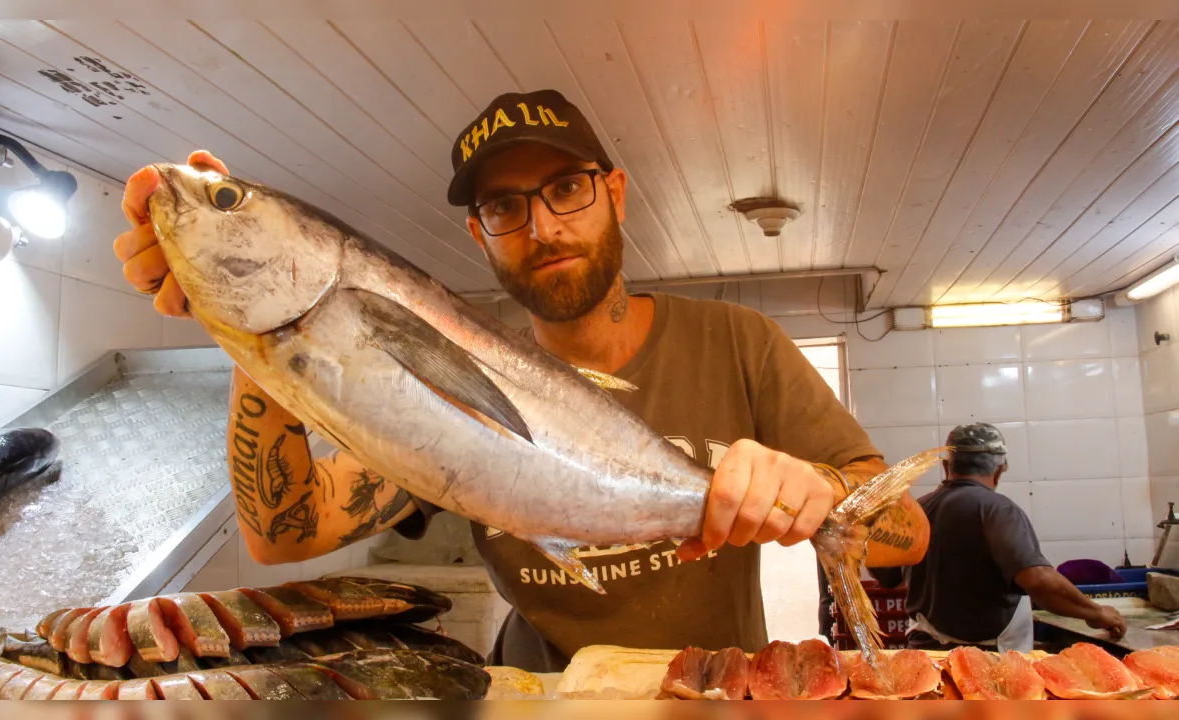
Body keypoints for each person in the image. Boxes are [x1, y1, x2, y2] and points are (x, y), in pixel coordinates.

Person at [114, 89, 930, 672]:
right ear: (480, 234)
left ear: (614, 194)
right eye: (505, 208)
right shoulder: (436, 385)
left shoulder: (736, 341)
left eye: (567, 189)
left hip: (711, 693)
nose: (542, 226)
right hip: (537, 698)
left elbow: (906, 532)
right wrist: (248, 339)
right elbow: (283, 533)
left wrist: (816, 489)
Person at [871, 423, 1127, 653]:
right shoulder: (997, 510)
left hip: (925, 655)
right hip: (988, 663)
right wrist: (1096, 613)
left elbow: (886, 575)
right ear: (1000, 468)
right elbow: (1037, 580)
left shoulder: (917, 510)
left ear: (947, 466)